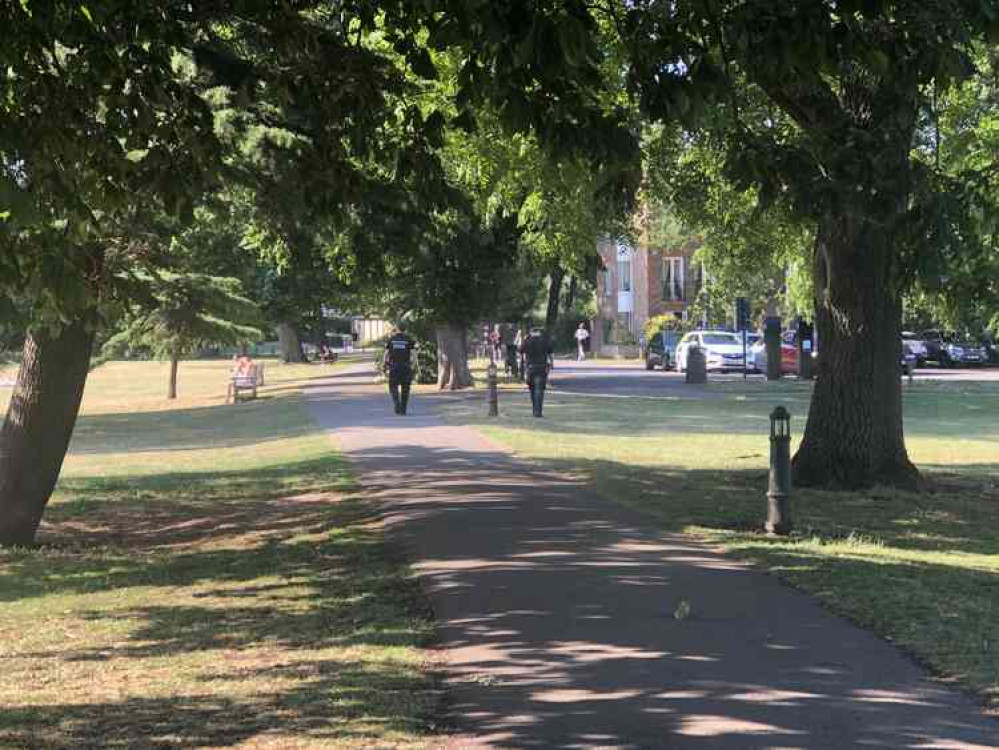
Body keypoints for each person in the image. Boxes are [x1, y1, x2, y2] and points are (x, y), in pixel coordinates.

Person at [519, 323, 554, 418]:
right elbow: (550, 352)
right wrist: (552, 364)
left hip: (530, 367)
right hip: (542, 366)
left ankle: (535, 409)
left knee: (532, 389)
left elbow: (520, 351)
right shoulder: (545, 339)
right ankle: (538, 411)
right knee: (540, 390)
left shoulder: (527, 339)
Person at [383, 322, 415, 415]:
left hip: (394, 367)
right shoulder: (409, 339)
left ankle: (397, 403)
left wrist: (384, 364)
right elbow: (413, 354)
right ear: (405, 329)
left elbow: (386, 353)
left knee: (393, 387)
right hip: (406, 366)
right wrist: (415, 365)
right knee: (406, 388)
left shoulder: (392, 339)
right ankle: (403, 409)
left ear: (396, 328)